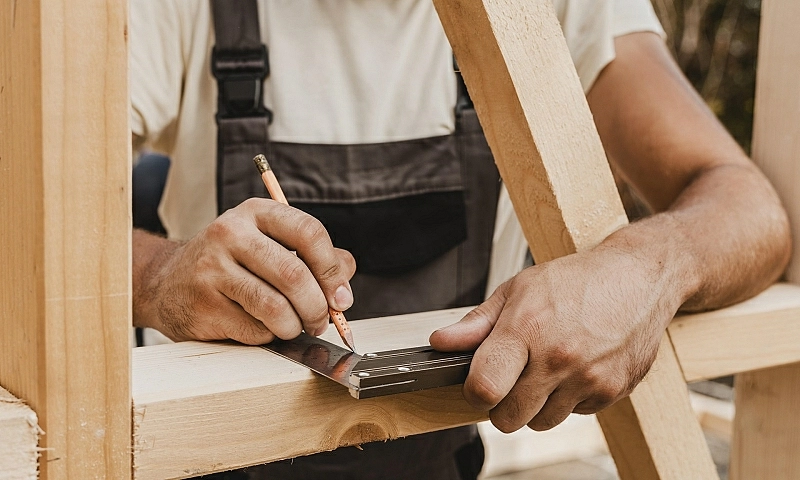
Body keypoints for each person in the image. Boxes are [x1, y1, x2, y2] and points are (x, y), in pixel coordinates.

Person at [129, 1, 791, 478]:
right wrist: (158, 273)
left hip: (441, 460)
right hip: (196, 463)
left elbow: (751, 211)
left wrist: (643, 267)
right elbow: (34, 224)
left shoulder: (549, 11)